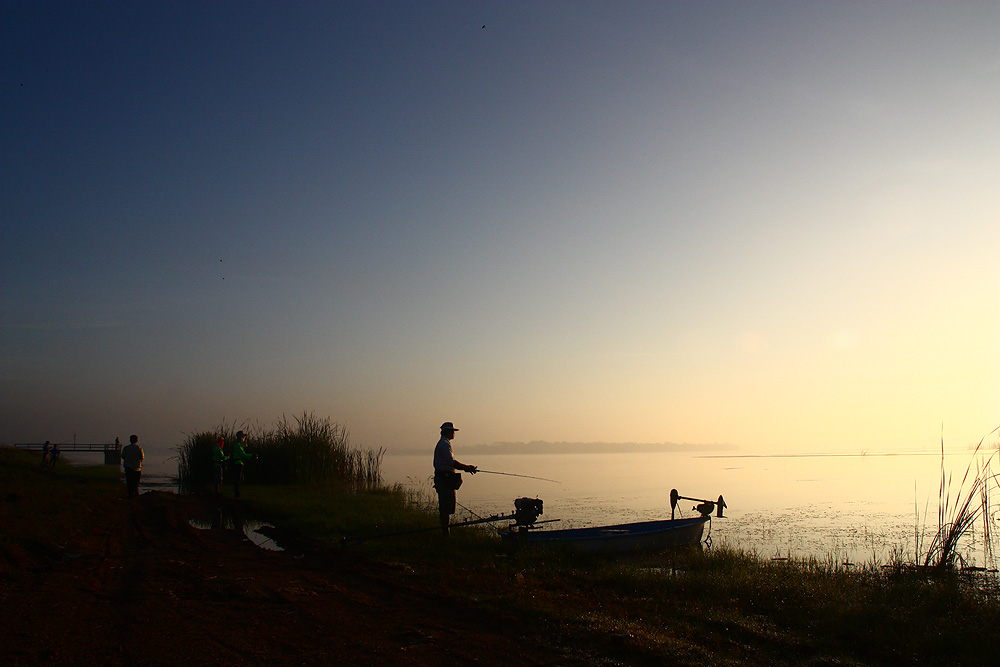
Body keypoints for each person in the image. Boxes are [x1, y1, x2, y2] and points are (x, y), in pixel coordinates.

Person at [433, 421, 477, 536]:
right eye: (453, 431)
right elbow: (452, 462)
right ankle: (445, 534)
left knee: (446, 507)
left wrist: (466, 468)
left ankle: (446, 533)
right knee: (445, 508)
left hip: (445, 478)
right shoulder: (444, 444)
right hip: (444, 479)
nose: (454, 433)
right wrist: (467, 468)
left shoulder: (444, 443)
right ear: (448, 432)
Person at [229, 431, 254, 499]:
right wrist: (252, 456)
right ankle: (237, 494)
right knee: (238, 479)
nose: (244, 438)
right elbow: (243, 455)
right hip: (238, 464)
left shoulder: (239, 446)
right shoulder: (238, 446)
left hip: (239, 463)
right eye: (243, 436)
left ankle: (238, 494)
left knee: (240, 479)